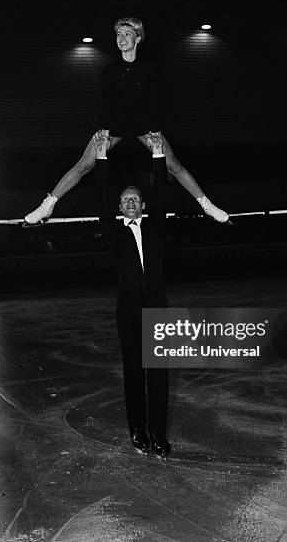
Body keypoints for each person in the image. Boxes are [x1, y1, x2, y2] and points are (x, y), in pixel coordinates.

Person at [23, 16, 229, 226]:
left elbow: (154, 102)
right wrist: (103, 132)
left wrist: (154, 130)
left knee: (173, 166)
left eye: (127, 34)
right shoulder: (109, 71)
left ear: (138, 39)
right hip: (116, 125)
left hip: (144, 126)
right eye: (119, 35)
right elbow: (107, 104)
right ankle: (47, 206)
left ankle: (207, 206)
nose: (122, 39)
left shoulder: (150, 70)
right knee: (83, 165)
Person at [96, 129, 170, 458]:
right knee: (133, 372)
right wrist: (100, 158)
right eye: (125, 199)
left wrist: (158, 155)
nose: (129, 202)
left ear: (142, 206)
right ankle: (137, 429)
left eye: (135, 199)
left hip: (157, 310)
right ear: (120, 206)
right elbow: (99, 196)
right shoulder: (114, 234)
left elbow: (163, 194)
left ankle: (158, 432)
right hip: (127, 312)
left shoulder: (154, 229)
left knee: (158, 374)